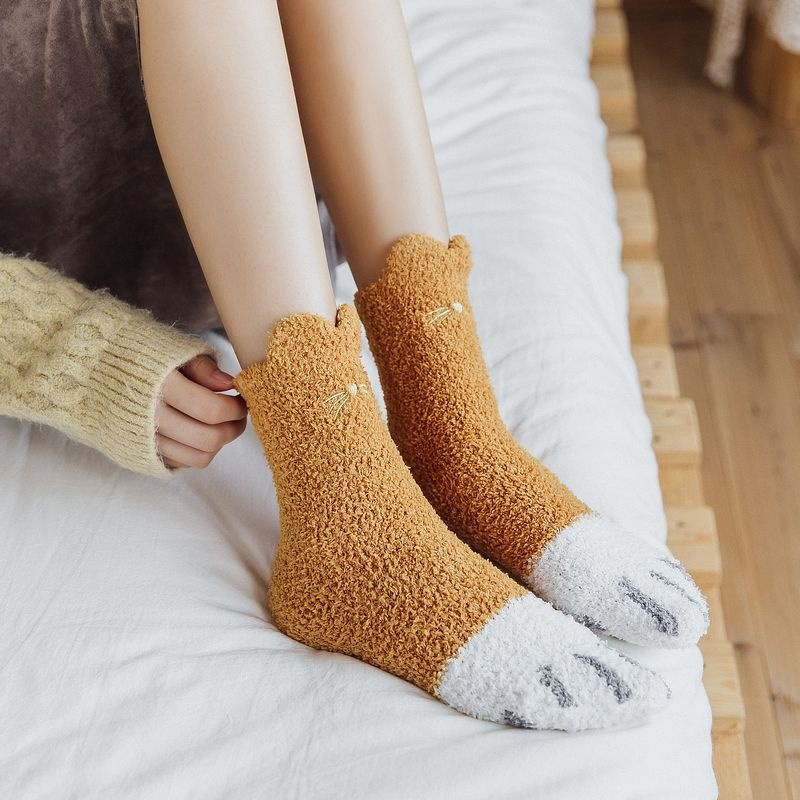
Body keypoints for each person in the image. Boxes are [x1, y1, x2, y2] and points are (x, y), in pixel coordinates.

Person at [0, 0, 708, 731]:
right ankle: (343, 508)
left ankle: (450, 432)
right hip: (70, 224)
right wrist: (82, 352)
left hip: (247, 199)